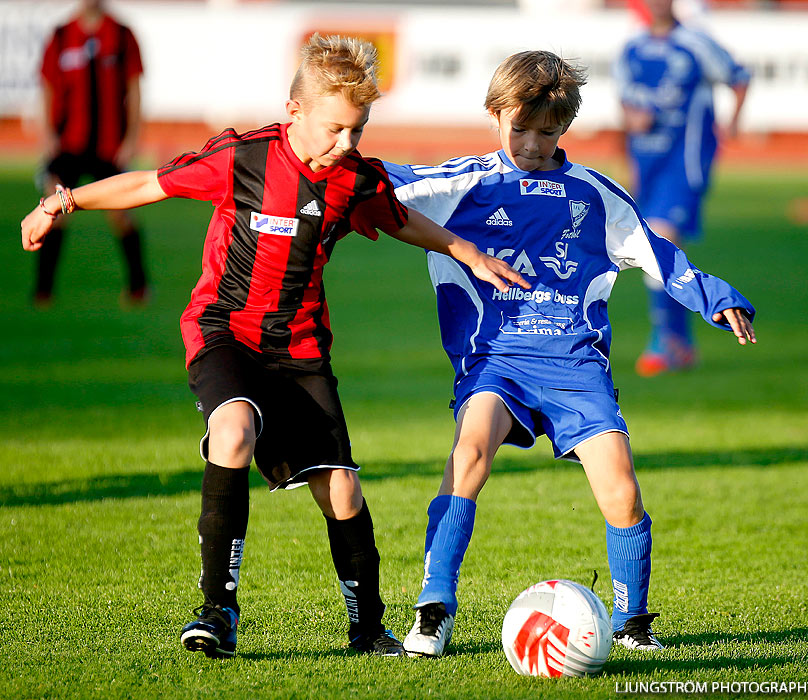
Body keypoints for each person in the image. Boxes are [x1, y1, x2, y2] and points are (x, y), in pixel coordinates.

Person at [21, 34, 528, 659]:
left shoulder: (354, 178)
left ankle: (368, 628)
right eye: (336, 129)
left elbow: (396, 219)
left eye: (359, 130)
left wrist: (464, 249)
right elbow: (150, 185)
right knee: (233, 433)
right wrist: (61, 201)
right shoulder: (243, 158)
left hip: (301, 348)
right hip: (223, 331)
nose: (347, 145)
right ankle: (218, 610)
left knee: (340, 490)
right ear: (296, 112)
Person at [382, 49, 756, 657]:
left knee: (623, 490)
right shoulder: (460, 183)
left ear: (565, 128)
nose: (531, 143)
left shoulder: (593, 195)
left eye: (546, 132)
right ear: (494, 114)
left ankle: (633, 622)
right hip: (495, 359)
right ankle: (433, 608)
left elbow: (655, 253)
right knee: (470, 452)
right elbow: (367, 180)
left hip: (575, 363)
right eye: (520, 129)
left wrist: (713, 297)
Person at [614, 0, 750, 376]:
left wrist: (733, 121)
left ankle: (666, 341)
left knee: (661, 238)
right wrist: (632, 126)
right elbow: (625, 104)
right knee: (662, 247)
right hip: (647, 164)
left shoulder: (694, 42)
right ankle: (682, 343)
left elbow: (739, 76)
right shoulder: (631, 49)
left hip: (684, 162)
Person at [35, 0, 148, 307]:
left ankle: (139, 287)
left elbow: (134, 89)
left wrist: (132, 138)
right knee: (52, 213)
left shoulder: (122, 35)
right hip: (68, 145)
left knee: (121, 214)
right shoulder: (60, 36)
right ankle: (43, 291)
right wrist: (47, 137)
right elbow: (46, 89)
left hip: (109, 147)